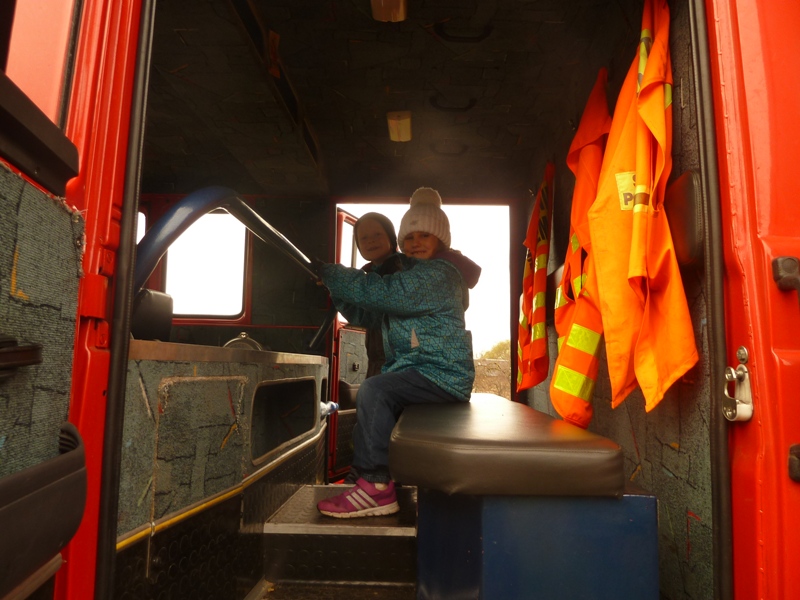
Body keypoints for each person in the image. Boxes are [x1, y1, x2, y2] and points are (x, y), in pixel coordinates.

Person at [315, 187, 481, 518]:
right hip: (423, 368)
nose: (416, 243)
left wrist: (331, 273)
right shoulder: (416, 273)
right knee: (372, 400)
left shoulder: (439, 274)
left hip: (442, 373)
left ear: (440, 240)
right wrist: (338, 290)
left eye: (425, 235)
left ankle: (376, 486)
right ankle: (363, 476)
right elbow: (369, 315)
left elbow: (385, 293)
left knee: (375, 390)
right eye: (410, 238)